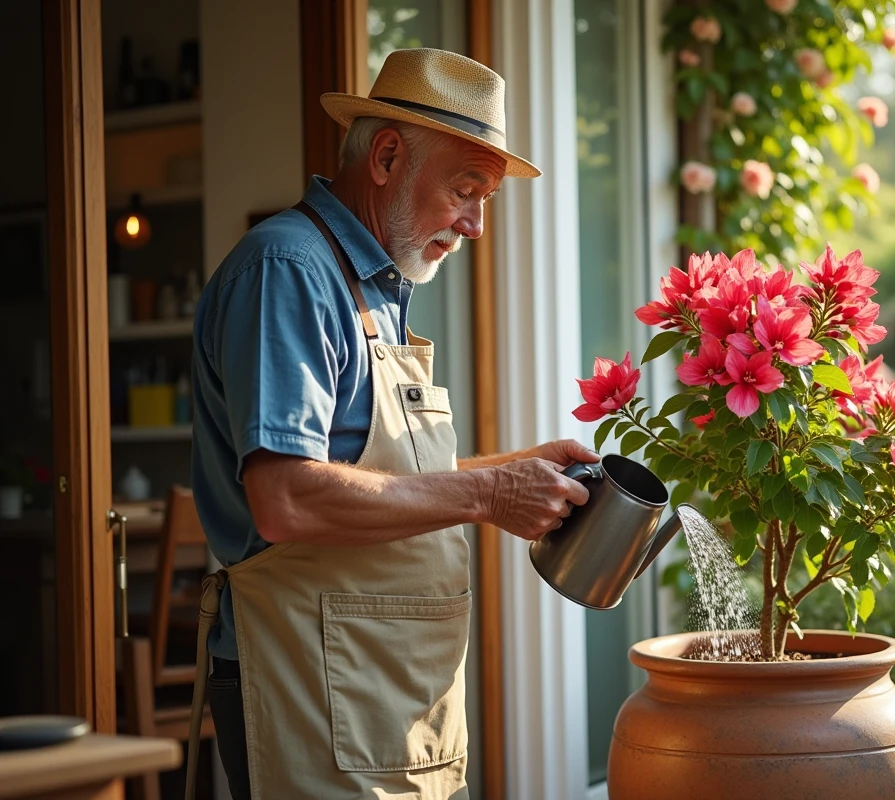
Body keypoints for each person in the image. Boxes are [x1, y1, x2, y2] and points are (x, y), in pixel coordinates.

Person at [186, 48, 597, 800]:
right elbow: (287, 497)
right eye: (465, 190)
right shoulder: (289, 272)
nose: (475, 226)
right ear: (384, 156)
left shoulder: (370, 282)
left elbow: (366, 478)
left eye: (486, 200)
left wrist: (509, 471)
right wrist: (489, 496)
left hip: (379, 704)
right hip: (312, 696)